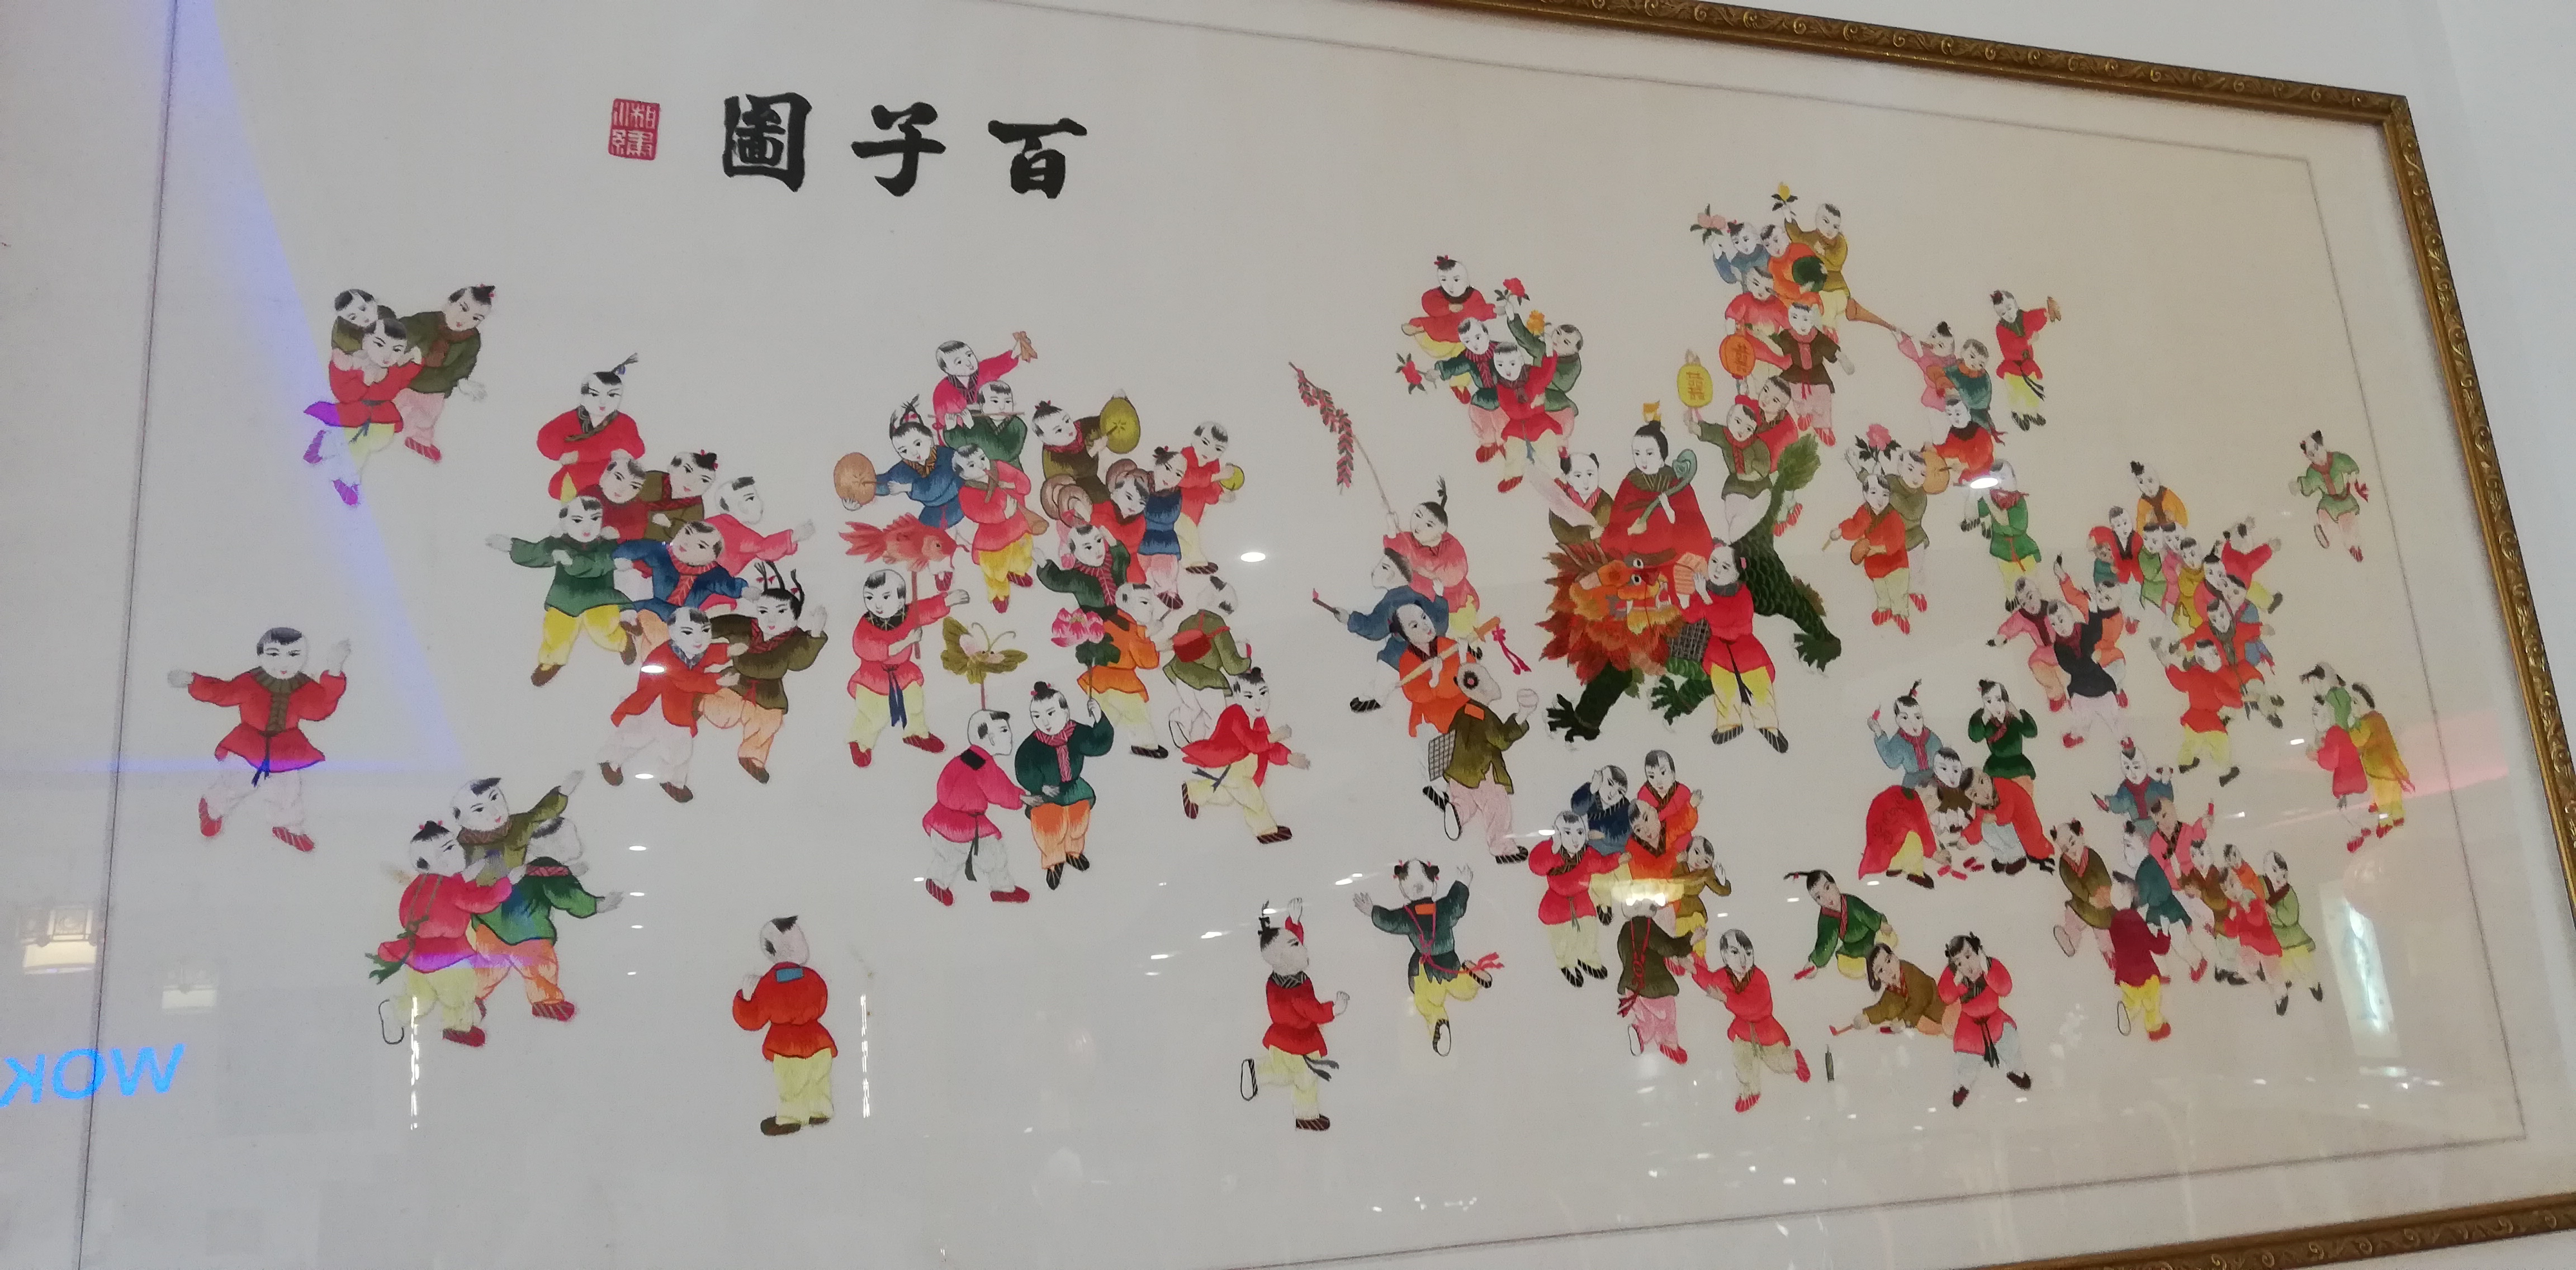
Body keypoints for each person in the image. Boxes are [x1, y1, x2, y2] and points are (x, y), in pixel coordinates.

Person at [172, 628, 350, 852]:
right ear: (261, 655)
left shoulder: (303, 686)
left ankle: (286, 826)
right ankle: (212, 806)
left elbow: (320, 708)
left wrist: (334, 669)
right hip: (249, 743)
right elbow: (224, 692)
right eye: (274, 654)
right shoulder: (251, 681)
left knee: (288, 788)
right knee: (238, 782)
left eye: (294, 655)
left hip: (286, 746)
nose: (283, 663)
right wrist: (193, 681)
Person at [371, 824, 514, 1048]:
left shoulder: (422, 883)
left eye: (454, 845)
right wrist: (505, 883)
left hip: (418, 956)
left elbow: (458, 880)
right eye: (448, 849)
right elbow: (481, 901)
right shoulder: (450, 888)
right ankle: (458, 1027)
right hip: (449, 959)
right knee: (460, 995)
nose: (458, 851)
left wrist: (482, 865)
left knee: (422, 998)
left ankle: (396, 1011)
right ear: (426, 863)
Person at [1355, 860, 1496, 1055]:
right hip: (1451, 963)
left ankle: (1439, 1021)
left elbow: (1391, 922)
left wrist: (1372, 911)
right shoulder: (1444, 908)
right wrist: (1462, 884)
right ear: (1434, 886)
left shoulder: (1408, 916)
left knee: (1426, 1002)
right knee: (1463, 990)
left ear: (1404, 891)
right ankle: (1471, 977)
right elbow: (1457, 905)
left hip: (1427, 970)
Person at [703, 570, 829, 783]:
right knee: (720, 706)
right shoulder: (746, 626)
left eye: (781, 612)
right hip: (736, 681)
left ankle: (752, 757)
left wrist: (815, 633)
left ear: (794, 617)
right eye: (763, 611)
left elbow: (800, 662)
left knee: (770, 723)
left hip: (769, 693)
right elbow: (715, 627)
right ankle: (698, 705)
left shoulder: (794, 639)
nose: (770, 619)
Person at [598, 606, 734, 803]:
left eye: (704, 631)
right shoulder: (666, 655)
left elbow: (709, 653)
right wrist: (719, 680)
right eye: (688, 632)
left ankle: (673, 781)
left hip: (678, 706)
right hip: (653, 702)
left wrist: (729, 651)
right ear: (674, 633)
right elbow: (688, 681)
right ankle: (610, 760)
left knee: (681, 746)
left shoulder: (695, 650)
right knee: (635, 735)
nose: (699, 639)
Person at [491, 496, 628, 686]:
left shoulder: (605, 545)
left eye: (595, 519)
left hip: (600, 596)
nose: (587, 527)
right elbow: (537, 552)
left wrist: (572, 562)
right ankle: (551, 661)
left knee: (603, 630)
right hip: (565, 597)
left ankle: (623, 641)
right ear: (565, 521)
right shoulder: (560, 543)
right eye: (578, 520)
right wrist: (512, 546)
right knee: (556, 631)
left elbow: (600, 564)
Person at [845, 568, 969, 766]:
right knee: (874, 716)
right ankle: (860, 742)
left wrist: (947, 601)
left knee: (915, 702)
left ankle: (916, 733)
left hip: (903, 673)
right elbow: (866, 647)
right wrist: (906, 642)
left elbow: (925, 609)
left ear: (901, 599)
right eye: (870, 597)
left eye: (886, 597)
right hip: (872, 678)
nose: (877, 605)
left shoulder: (907, 614)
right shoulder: (866, 624)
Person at [1242, 899, 1346, 1131]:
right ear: (1282, 959)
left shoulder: (1279, 977)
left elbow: (1287, 946)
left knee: (1289, 1075)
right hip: (1299, 1044)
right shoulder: (1296, 991)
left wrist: (1294, 922)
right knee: (1302, 1078)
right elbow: (1314, 1011)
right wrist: (1335, 1008)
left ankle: (1258, 1073)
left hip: (1282, 1039)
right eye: (1296, 945)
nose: (1303, 947)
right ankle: (1303, 1114)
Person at [732, 916, 836, 1136]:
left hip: (787, 1048)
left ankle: (791, 1118)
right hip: (820, 1044)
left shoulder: (767, 985)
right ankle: (820, 1111)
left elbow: (753, 1021)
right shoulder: (812, 977)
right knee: (818, 1081)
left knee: (791, 1087)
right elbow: (821, 1003)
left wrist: (745, 998)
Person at [1180, 667, 1307, 844]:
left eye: (1263, 694)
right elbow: (1253, 742)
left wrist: (1288, 757)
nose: (1258, 702)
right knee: (1252, 798)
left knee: (1225, 797)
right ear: (1238, 696)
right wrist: (1276, 736)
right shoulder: (1235, 714)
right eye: (1249, 696)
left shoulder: (1259, 721)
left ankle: (1193, 792)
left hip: (1245, 769)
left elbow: (1267, 748)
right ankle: (1266, 831)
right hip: (1231, 765)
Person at [1690, 928, 1808, 1112]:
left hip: (1766, 1029)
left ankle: (1794, 1060)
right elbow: (1709, 980)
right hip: (1743, 1030)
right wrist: (1690, 960)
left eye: (1748, 952)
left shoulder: (1759, 977)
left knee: (1778, 1062)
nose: (1743, 960)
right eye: (1735, 953)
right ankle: (1750, 1091)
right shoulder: (1725, 976)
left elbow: (1755, 1008)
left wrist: (1726, 998)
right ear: (1724, 955)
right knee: (1743, 1064)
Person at [922, 710, 1031, 906]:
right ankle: (1002, 889)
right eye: (1004, 730)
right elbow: (1000, 791)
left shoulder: (964, 759)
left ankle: (937, 882)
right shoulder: (982, 765)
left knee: (951, 857)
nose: (1010, 735)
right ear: (990, 738)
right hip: (964, 825)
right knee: (994, 855)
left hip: (941, 820)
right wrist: (1022, 798)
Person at [1015, 683, 1116, 890]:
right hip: (1047, 793)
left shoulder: (1076, 733)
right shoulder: (1032, 745)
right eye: (1037, 716)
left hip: (1074, 788)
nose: (1045, 722)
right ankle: (1053, 862)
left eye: (1051, 713)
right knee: (1050, 829)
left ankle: (1073, 852)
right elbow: (1024, 769)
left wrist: (1099, 718)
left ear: (1065, 711)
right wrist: (1040, 786)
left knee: (1077, 823)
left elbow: (1098, 745)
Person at [391, 284, 495, 461]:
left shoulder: (472, 340)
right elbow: (403, 332)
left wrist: (462, 380)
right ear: (449, 303)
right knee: (404, 406)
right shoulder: (426, 321)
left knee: (428, 417)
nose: (464, 320)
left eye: (476, 318)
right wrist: (414, 352)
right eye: (463, 309)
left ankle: (419, 440)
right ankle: (389, 421)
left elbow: (465, 363)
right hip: (409, 378)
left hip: (439, 386)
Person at [1939, 933, 2032, 1106]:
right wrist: (1953, 977)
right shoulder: (1957, 978)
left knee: (2010, 1044)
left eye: (1969, 956)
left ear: (1978, 952)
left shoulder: (1990, 967)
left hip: (1995, 1019)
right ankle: (1963, 1086)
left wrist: (1987, 969)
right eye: (1959, 963)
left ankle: (2017, 1072)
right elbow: (1946, 996)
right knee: (1967, 1059)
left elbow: (2005, 988)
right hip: (1970, 1027)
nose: (1967, 966)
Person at [536, 357, 644, 501]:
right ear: (583, 395)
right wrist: (609, 449)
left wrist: (580, 455)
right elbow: (546, 439)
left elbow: (637, 448)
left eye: (612, 395)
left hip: (613, 485)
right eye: (595, 394)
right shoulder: (569, 420)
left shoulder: (625, 423)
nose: (603, 402)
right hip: (575, 480)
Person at [1531, 812, 1617, 986]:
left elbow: (1601, 864)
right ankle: (1567, 964)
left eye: (1579, 832)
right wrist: (1552, 847)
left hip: (1582, 902)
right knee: (1563, 940)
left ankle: (1588, 959)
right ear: (1558, 834)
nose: (1575, 839)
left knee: (1589, 932)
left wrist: (1618, 859)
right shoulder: (1552, 852)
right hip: (1556, 905)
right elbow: (1536, 866)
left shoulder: (1587, 854)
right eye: (1567, 833)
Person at [1613, 897, 1694, 1065]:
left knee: (1647, 1019)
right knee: (1667, 1017)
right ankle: (1669, 1043)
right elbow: (1667, 947)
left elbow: (1623, 953)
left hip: (1631, 986)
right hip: (1655, 986)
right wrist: (1691, 939)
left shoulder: (1625, 930)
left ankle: (1640, 1034)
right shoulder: (1647, 926)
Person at [1789, 869, 1893, 980]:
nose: (1827, 898)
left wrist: (1880, 923)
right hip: (1852, 949)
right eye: (1819, 897)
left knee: (1888, 940)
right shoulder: (1827, 918)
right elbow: (1826, 942)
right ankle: (1868, 971)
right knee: (1845, 965)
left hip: (1871, 937)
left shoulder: (1851, 902)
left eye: (1827, 888)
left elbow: (1868, 915)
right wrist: (1815, 962)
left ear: (1835, 884)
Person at [2106, 876, 2172, 1040]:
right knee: (2152, 1003)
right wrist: (2164, 932)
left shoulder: (2114, 923)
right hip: (2145, 973)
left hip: (2125, 975)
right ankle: (2155, 1027)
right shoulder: (2134, 921)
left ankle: (2128, 1014)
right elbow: (2159, 947)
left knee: (2132, 1000)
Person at [2294, 431, 2369, 561]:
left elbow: (2352, 466)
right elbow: (2309, 485)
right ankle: (2326, 535)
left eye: (2316, 449)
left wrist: (2353, 476)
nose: (2316, 456)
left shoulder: (2338, 459)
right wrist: (2300, 485)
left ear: (2321, 445)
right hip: (2329, 501)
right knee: (2323, 513)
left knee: (2347, 523)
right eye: (2311, 454)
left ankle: (2353, 546)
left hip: (2345, 500)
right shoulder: (2313, 471)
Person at [1846, 942, 1945, 1037]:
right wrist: (1867, 1017)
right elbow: (1884, 1008)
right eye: (1881, 970)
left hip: (1941, 1010)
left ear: (1895, 957)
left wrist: (1904, 1021)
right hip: (1928, 1024)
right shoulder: (1892, 990)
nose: (1889, 971)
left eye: (1889, 961)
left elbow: (1921, 998)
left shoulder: (1911, 973)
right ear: (1877, 977)